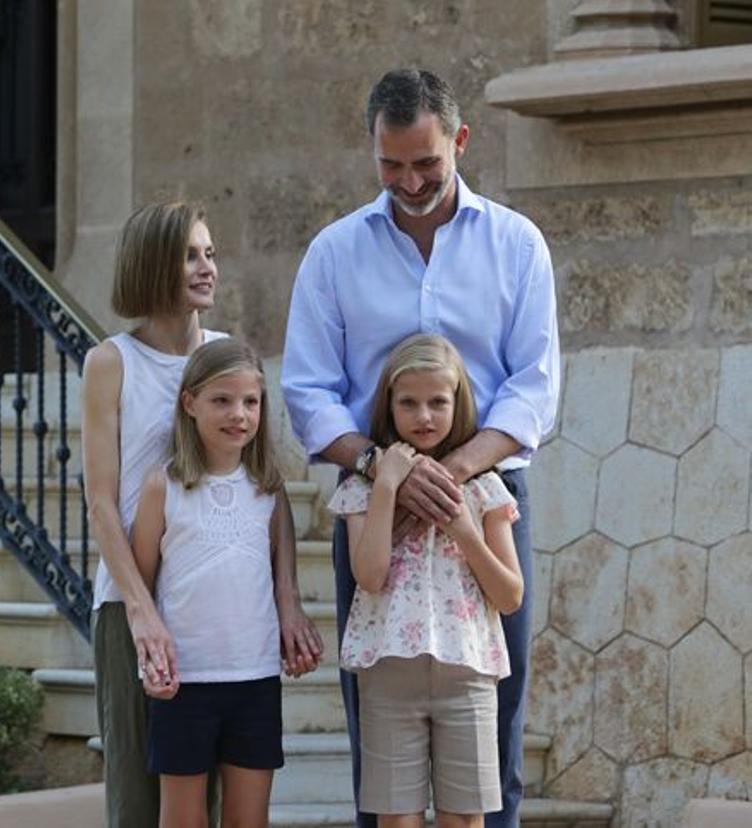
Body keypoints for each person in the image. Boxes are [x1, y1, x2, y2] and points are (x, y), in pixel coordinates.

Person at [280, 68, 560, 828]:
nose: (408, 180)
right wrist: (384, 472)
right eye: (391, 164)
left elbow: (534, 387)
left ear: (459, 142)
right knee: (373, 716)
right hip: (376, 497)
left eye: (426, 163)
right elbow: (307, 390)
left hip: (489, 495)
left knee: (498, 708)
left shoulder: (516, 244)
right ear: (372, 150)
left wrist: (456, 477)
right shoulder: (334, 253)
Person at [82, 201, 323, 828]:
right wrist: (141, 613)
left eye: (211, 253)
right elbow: (102, 501)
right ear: (153, 261)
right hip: (133, 602)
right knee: (141, 801)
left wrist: (287, 597)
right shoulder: (111, 362)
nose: (207, 266)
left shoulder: (226, 359)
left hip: (223, 622)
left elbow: (267, 492)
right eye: (191, 253)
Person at [329, 334, 524, 828]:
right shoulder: (361, 490)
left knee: (464, 819)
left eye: (438, 402)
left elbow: (509, 595)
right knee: (396, 820)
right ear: (388, 406)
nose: (424, 416)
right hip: (389, 674)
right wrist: (388, 485)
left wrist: (465, 530)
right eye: (409, 403)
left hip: (468, 674)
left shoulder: (485, 489)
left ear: (457, 403)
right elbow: (369, 577)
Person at [131, 337, 307, 828]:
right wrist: (149, 661)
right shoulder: (161, 486)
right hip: (184, 683)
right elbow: (140, 587)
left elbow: (281, 579)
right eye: (222, 400)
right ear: (190, 403)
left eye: (251, 402)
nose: (239, 414)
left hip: (255, 678)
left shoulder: (268, 489)